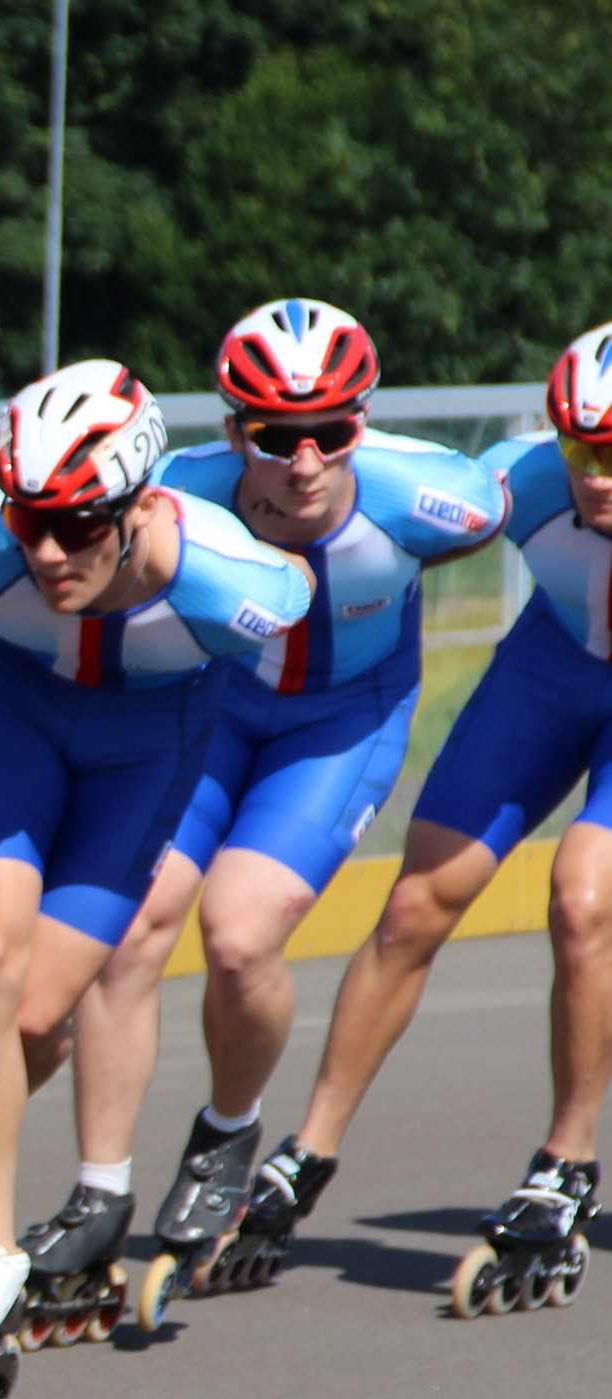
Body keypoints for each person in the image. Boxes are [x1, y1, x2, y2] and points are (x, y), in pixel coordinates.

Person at [49, 301, 500, 1315]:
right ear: (230, 431)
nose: (303, 462)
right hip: (210, 714)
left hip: (337, 728)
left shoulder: (436, 500)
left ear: (361, 423)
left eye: (330, 433)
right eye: (273, 436)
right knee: (126, 932)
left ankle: (227, 1130)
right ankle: (98, 1191)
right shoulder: (175, 495)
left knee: (238, 936)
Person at [0, 361, 312, 1378]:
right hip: (14, 711)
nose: (46, 551)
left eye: (79, 525)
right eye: (28, 520)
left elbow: (296, 590)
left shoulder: (225, 581)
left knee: (38, 1016)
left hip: (146, 744)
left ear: (139, 508)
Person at [246, 323, 612, 1313]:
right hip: (550, 670)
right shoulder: (520, 482)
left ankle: (565, 1163)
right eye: (579, 448)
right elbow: (386, 514)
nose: (594, 477)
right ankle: (308, 1150)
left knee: (582, 898)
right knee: (415, 905)